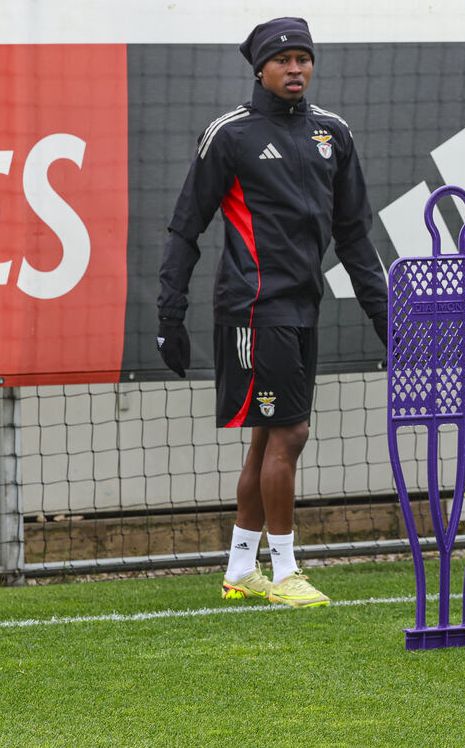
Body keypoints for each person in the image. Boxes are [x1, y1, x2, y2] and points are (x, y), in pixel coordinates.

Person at [156, 17, 389, 608]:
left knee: (267, 438)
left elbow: (356, 237)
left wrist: (387, 318)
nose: (295, 68)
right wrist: (169, 315)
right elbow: (187, 227)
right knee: (291, 430)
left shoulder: (333, 134)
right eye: (282, 59)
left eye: (303, 58)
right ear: (259, 67)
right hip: (253, 308)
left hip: (303, 308)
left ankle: (240, 568)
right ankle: (284, 570)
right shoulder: (230, 134)